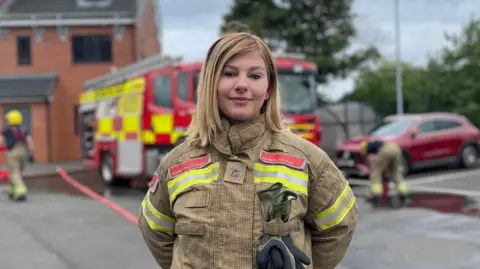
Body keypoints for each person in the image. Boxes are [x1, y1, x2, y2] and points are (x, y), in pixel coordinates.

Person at [138, 31, 358, 269]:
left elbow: (339, 226)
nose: (242, 85)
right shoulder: (176, 164)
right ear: (210, 83)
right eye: (229, 73)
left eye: (254, 75)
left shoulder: (307, 160)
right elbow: (155, 232)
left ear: (269, 89)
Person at [360, 139, 408, 207]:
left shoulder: (368, 148)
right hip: (396, 148)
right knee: (394, 172)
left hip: (386, 150)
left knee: (376, 172)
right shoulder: (374, 143)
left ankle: (376, 195)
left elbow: (373, 161)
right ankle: (403, 192)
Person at [0, 109, 35, 201]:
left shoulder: (6, 130)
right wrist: (32, 154)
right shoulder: (24, 130)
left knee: (14, 173)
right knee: (17, 172)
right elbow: (30, 142)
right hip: (23, 152)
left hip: (11, 153)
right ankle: (11, 191)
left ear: (11, 120)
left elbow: (0, 142)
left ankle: (21, 192)